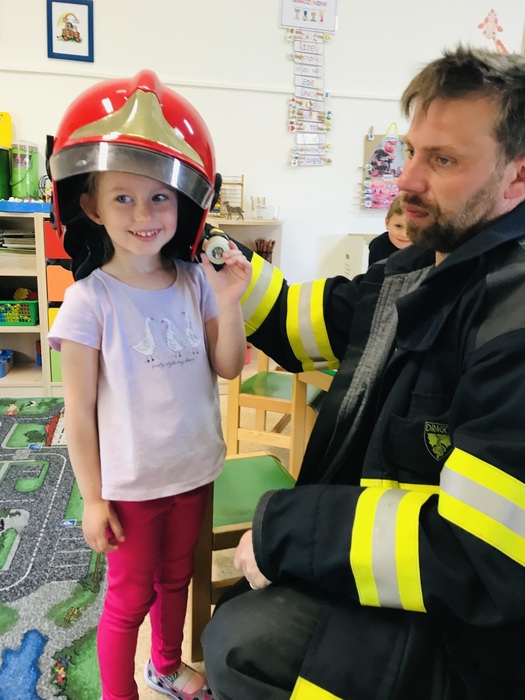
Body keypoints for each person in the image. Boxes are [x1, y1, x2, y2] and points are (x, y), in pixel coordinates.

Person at [202, 46, 525, 700]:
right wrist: (197, 238)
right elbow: (297, 320)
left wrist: (284, 528)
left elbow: (474, 554)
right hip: (402, 582)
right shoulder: (422, 267)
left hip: (464, 636)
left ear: (517, 177)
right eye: (411, 151)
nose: (406, 179)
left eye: (442, 160)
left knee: (243, 644)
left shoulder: (510, 321)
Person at [46, 71, 251, 700]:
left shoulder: (195, 283)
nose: (144, 215)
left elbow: (228, 365)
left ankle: (164, 665)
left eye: (159, 197)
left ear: (183, 203)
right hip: (131, 486)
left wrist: (229, 302)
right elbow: (79, 413)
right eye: (124, 198)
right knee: (129, 597)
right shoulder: (89, 301)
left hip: (192, 471)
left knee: (175, 579)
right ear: (91, 206)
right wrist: (92, 498)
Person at [367, 194, 411, 265]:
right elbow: (375, 271)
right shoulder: (379, 245)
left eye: (412, 228)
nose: (404, 234)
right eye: (398, 226)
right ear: (387, 223)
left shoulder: (425, 247)